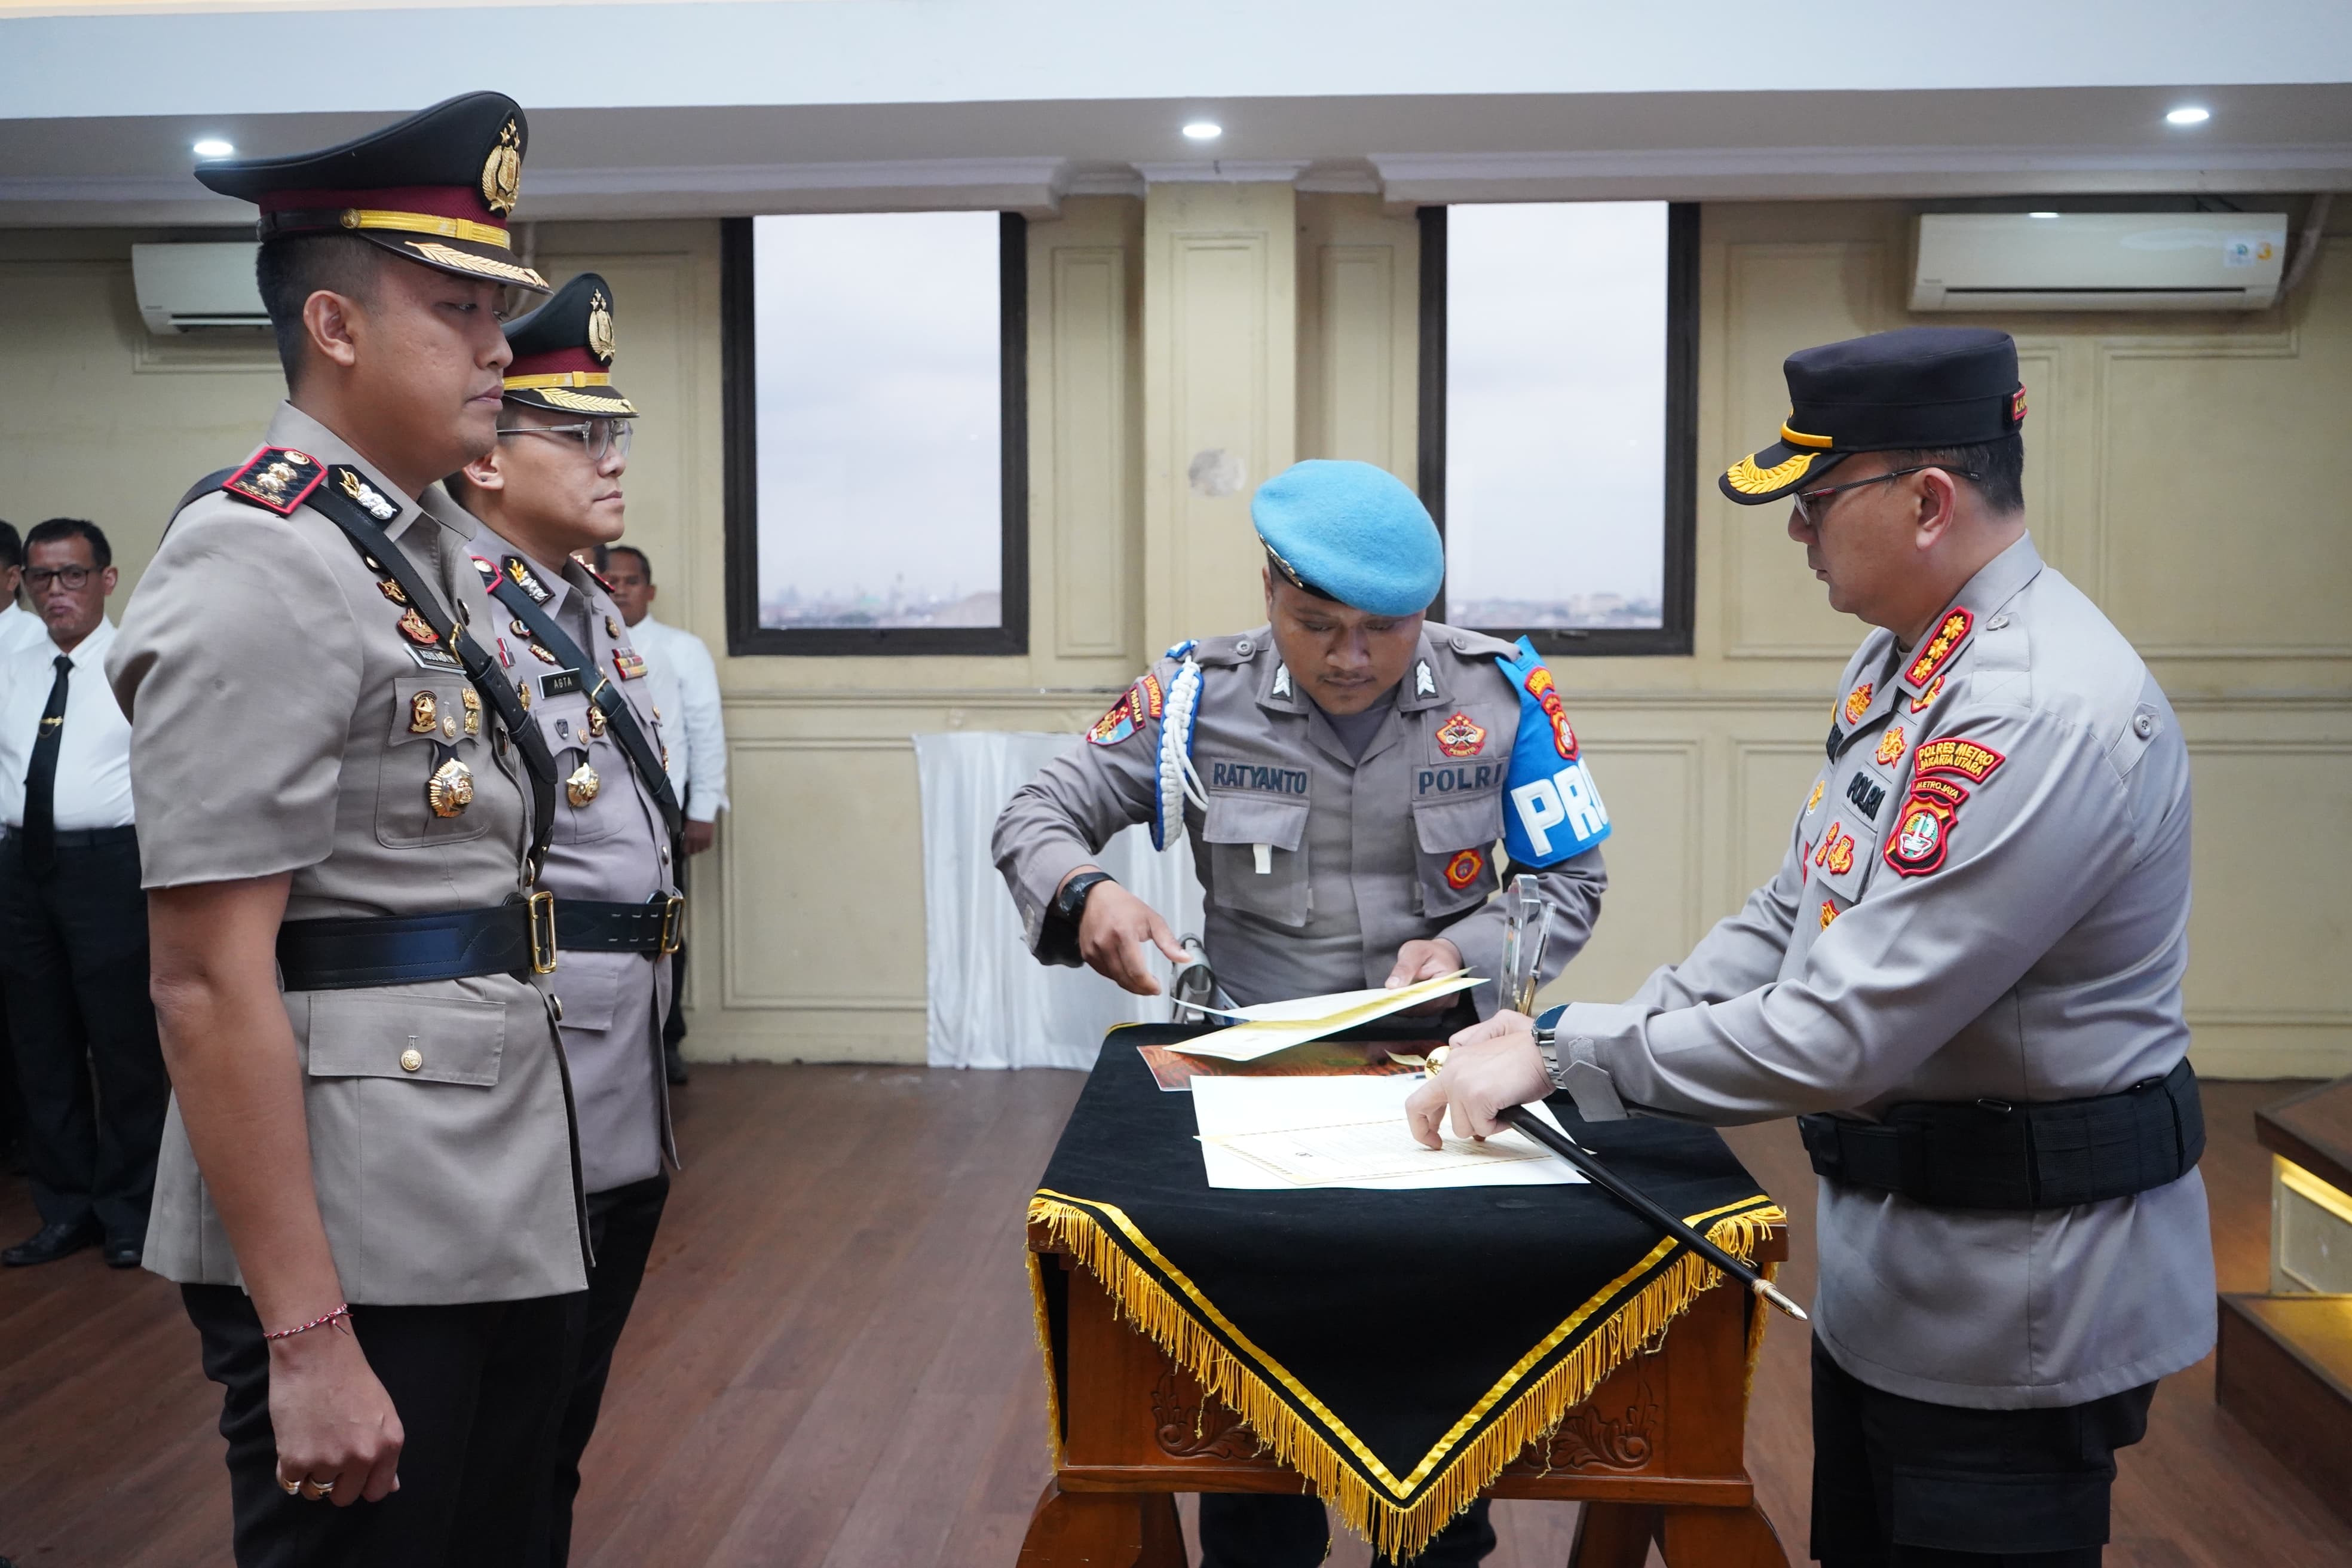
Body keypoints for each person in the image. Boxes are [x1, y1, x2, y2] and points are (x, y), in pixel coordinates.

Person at [1408, 327, 2212, 1568]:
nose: (1797, 529)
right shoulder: (1911, 657)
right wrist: (1578, 1032)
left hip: (2021, 1300)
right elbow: (1793, 914)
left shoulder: (2038, 708)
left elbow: (1846, 1030)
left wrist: (1567, 1055)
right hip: (1903, 1267)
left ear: (1927, 501)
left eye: (1819, 498)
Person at [105, 93, 588, 1566]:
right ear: (336, 325)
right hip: (356, 1221)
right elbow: (204, 979)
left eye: (495, 310)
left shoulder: (407, 545)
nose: (499, 347)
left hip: (478, 1175)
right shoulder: (260, 559)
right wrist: (307, 1334)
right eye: (458, 310)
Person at [993, 457, 1611, 1568]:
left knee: (1441, 1419)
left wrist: (1464, 951)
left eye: (1385, 629)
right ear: (1269, 588)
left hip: (1446, 1095)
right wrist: (1088, 892)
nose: (1351, 658)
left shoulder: (1502, 694)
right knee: (1252, 1432)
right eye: (1316, 623)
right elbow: (1039, 809)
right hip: (1256, 1102)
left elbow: (1570, 879)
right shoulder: (1195, 696)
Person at [444, 272, 681, 1566]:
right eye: (579, 434)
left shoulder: (583, 604)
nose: (611, 458)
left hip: (619, 1065)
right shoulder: (461, 608)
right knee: (501, 1433)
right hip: (533, 1074)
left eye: (614, 432)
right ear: (486, 459)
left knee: (558, 1427)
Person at [0, 519, 167, 1269]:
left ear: (107, 579)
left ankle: (130, 1210)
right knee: (39, 1043)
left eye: (72, 574)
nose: (56, 591)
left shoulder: (139, 664)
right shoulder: (11, 665)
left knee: (124, 1044)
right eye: (41, 577)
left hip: (110, 866)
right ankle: (65, 1207)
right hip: (20, 868)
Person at [598, 543, 725, 1085]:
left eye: (632, 581)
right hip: (596, 810)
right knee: (602, 925)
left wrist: (702, 810)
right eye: (612, 579)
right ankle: (612, 1042)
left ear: (650, 590)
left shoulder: (681, 649)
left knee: (664, 925)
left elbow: (704, 730)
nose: (621, 589)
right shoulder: (580, 638)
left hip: (663, 810)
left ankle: (667, 1040)